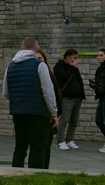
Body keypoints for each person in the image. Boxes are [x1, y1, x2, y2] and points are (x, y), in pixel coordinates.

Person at [5, 37, 58, 169]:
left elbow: (5, 92)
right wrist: (53, 113)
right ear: (37, 49)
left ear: (21, 48)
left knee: (20, 147)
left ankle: (15, 174)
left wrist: (19, 102)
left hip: (18, 113)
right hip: (38, 113)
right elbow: (48, 91)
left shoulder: (10, 66)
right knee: (37, 148)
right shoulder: (40, 65)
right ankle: (35, 175)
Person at [52, 48, 86, 149]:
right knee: (64, 120)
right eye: (74, 57)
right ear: (68, 57)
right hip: (67, 98)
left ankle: (69, 139)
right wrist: (71, 67)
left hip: (77, 98)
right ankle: (60, 141)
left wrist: (81, 94)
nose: (76, 60)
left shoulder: (74, 68)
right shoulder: (59, 66)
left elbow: (79, 81)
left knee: (74, 121)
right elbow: (63, 77)